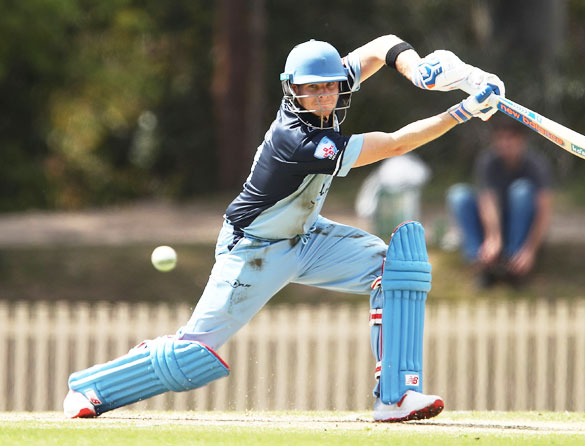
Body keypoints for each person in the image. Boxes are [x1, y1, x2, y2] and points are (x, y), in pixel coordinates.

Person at [63, 35, 504, 422]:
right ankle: (90, 388)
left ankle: (397, 396)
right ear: (292, 90)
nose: (324, 97)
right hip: (253, 251)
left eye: (330, 86)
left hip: (307, 238)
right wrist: (462, 111)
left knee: (397, 270)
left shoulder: (326, 92)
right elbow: (395, 144)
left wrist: (420, 70)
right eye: (312, 89)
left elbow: (381, 45)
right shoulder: (300, 140)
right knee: (194, 354)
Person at [447, 117, 553, 287]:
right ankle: (480, 262)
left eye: (510, 138)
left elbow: (544, 211)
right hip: (495, 223)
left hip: (521, 225)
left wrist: (529, 250)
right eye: (501, 138)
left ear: (521, 140)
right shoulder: (488, 161)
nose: (505, 143)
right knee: (458, 195)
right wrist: (493, 238)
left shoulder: (536, 164)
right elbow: (487, 201)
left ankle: (514, 262)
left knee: (521, 190)